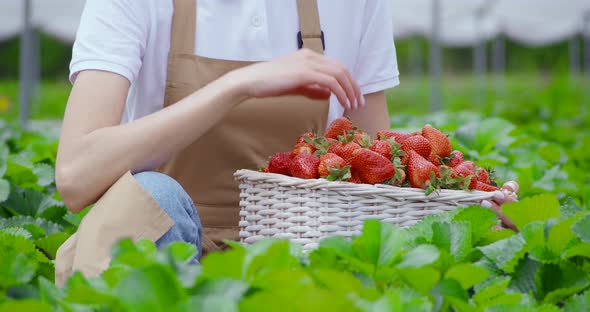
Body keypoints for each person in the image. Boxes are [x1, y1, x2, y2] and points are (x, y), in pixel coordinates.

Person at [54, 0, 518, 286]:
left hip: (303, 252)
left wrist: (463, 199)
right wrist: (239, 85)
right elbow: (76, 175)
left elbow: (378, 167)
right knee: (156, 193)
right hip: (167, 251)